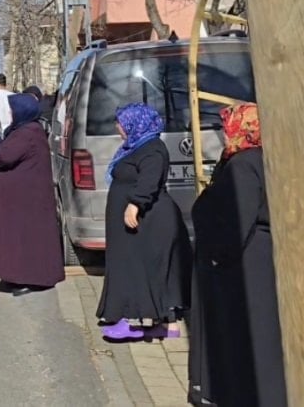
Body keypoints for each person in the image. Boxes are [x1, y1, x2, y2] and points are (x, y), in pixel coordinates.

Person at [188, 103, 287, 407]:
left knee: (253, 337)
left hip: (247, 264)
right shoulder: (270, 157)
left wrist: (218, 255)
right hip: (260, 256)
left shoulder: (245, 164)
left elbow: (236, 219)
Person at [95, 103, 192, 341]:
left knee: (140, 268)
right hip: (141, 219)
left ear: (134, 123)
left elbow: (150, 179)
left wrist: (135, 203)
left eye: (120, 122)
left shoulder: (152, 149)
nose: (118, 127)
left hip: (149, 218)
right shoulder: (137, 146)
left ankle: (136, 321)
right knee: (142, 268)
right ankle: (160, 324)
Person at [0, 94, 66, 295]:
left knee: (26, 239)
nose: (11, 113)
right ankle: (17, 275)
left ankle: (30, 278)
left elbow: (3, 156)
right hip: (23, 198)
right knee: (19, 238)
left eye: (13, 110)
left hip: (26, 199)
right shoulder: (26, 130)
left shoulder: (27, 133)